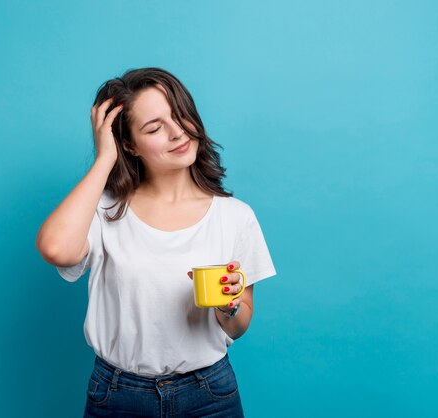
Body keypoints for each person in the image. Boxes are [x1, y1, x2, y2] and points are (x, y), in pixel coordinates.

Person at [36, 67, 276, 417]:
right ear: (130, 144)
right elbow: (55, 248)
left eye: (180, 116)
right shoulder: (105, 210)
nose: (177, 132)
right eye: (154, 127)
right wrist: (105, 158)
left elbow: (239, 327)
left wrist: (230, 307)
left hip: (209, 394)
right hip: (118, 395)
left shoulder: (236, 216)